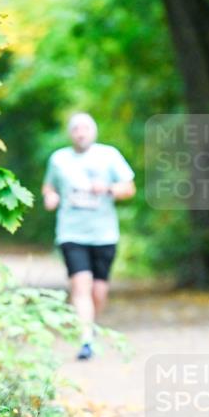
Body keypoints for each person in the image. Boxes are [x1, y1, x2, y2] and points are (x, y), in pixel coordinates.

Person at [42, 113, 136, 360]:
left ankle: (90, 326)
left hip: (104, 234)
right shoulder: (59, 159)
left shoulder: (109, 155)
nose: (80, 133)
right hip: (71, 233)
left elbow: (129, 188)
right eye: (76, 129)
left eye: (85, 128)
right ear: (70, 133)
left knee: (98, 292)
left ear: (93, 132)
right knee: (80, 285)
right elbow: (48, 186)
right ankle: (85, 339)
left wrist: (108, 188)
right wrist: (50, 197)